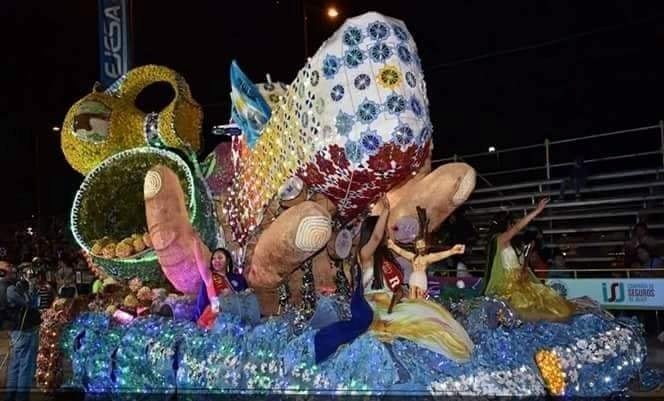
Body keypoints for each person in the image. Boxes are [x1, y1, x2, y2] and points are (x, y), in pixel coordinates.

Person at [358, 198, 474, 362]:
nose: (387, 233)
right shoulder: (365, 256)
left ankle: (451, 354)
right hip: (376, 307)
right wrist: (385, 211)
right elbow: (376, 238)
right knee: (419, 318)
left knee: (432, 312)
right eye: (384, 229)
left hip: (393, 302)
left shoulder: (386, 257)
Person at [482, 198, 575, 322]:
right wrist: (536, 210)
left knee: (545, 302)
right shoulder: (500, 239)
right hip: (509, 285)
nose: (512, 226)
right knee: (529, 308)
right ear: (505, 225)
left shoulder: (513, 244)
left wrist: (528, 253)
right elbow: (517, 228)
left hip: (521, 281)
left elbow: (521, 265)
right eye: (511, 224)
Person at [387, 207, 465, 299]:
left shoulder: (428, 258)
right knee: (412, 292)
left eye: (422, 245)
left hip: (421, 278)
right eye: (418, 245)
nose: (420, 247)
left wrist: (452, 251)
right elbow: (401, 251)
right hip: (413, 277)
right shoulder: (413, 257)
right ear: (416, 247)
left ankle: (420, 308)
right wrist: (392, 245)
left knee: (420, 294)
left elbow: (440, 255)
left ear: (425, 246)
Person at [5, 273, 42, 401]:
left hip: (20, 331)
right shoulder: (12, 289)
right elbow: (30, 304)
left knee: (15, 365)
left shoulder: (14, 287)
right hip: (23, 331)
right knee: (25, 366)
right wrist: (31, 289)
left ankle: (11, 396)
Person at [194, 246, 236, 329]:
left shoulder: (235, 279)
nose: (216, 261)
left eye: (220, 258)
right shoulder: (209, 277)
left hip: (231, 317)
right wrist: (196, 244)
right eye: (213, 258)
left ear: (227, 260)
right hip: (214, 318)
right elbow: (200, 262)